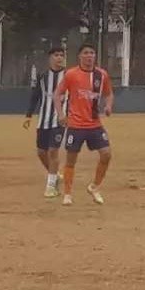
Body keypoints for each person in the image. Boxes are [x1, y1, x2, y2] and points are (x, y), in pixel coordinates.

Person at [55, 44, 114, 206]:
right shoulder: (71, 74)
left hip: (95, 124)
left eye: (92, 53)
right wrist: (61, 115)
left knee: (106, 154)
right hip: (76, 124)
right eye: (86, 53)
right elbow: (57, 94)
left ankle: (94, 186)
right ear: (80, 56)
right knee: (71, 160)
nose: (89, 56)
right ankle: (67, 194)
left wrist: (109, 106)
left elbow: (109, 94)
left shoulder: (101, 75)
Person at [23, 47, 67, 198]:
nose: (59, 58)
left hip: (60, 120)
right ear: (50, 58)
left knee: (53, 151)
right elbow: (35, 96)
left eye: (62, 55)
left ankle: (51, 186)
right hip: (43, 120)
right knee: (41, 152)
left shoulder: (69, 76)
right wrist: (28, 116)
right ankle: (54, 175)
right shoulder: (43, 77)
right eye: (56, 55)